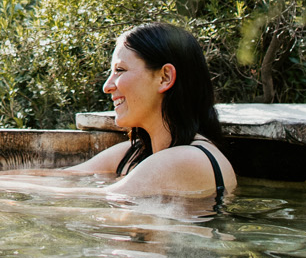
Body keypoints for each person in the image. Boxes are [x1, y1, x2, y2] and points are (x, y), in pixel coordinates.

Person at [62, 22, 235, 202]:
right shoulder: (135, 154)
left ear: (164, 77)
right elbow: (57, 178)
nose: (107, 86)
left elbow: (85, 197)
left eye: (119, 70)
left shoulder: (188, 159)